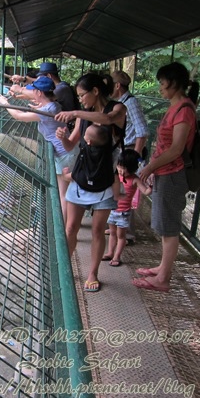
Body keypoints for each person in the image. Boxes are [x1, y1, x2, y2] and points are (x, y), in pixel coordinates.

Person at [55, 73, 127, 292]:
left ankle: (93, 273)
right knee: (70, 228)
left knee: (98, 230)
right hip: (80, 179)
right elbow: (70, 146)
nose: (80, 100)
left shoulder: (117, 109)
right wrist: (63, 138)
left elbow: (107, 120)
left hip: (104, 181)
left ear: (95, 91)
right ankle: (65, 271)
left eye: (82, 95)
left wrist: (75, 112)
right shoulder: (83, 116)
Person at [134, 62, 199, 292]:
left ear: (174, 83)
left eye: (163, 83)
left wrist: (150, 167)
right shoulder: (175, 107)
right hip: (164, 172)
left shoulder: (184, 110)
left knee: (169, 227)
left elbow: (176, 149)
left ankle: (163, 278)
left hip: (172, 174)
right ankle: (163, 268)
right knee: (163, 224)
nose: (160, 87)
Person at [0, 77, 78, 224]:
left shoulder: (46, 110)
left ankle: (63, 228)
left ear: (39, 93)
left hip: (63, 154)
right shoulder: (53, 105)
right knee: (65, 192)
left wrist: (5, 103)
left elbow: (19, 116)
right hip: (67, 151)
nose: (32, 91)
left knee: (62, 194)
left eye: (33, 90)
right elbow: (44, 110)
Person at [110, 70, 150, 244]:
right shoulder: (121, 102)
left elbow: (142, 131)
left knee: (129, 191)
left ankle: (128, 233)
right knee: (122, 187)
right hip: (125, 150)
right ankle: (118, 226)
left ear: (117, 85)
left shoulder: (130, 103)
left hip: (131, 151)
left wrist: (135, 157)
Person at [102, 149, 152, 267]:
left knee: (121, 236)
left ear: (133, 169)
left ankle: (117, 256)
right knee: (112, 233)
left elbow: (145, 191)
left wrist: (151, 187)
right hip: (112, 210)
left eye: (125, 169)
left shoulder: (135, 179)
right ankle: (110, 252)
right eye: (120, 167)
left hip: (123, 213)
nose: (121, 171)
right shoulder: (115, 176)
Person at [9, 62, 77, 112]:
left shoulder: (61, 88)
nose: (39, 79)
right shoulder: (58, 86)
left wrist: (20, 90)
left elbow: (39, 94)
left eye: (41, 77)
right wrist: (23, 79)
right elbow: (38, 83)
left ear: (49, 76)